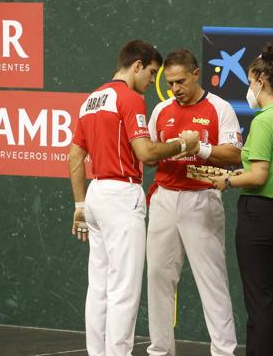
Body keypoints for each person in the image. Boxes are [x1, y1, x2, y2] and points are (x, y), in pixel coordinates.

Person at [68, 39, 200, 356]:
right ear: (137, 65)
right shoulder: (129, 99)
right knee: (124, 289)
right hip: (121, 195)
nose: (151, 82)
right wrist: (184, 145)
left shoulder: (91, 100)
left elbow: (74, 157)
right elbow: (145, 151)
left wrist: (79, 205)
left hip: (96, 195)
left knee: (98, 286)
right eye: (151, 73)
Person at [211, 44, 273, 356]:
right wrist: (247, 171)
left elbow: (258, 176)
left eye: (249, 81)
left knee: (259, 300)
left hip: (260, 218)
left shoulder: (264, 121)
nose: (248, 89)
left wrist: (226, 179)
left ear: (261, 81)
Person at [145, 48, 242, 356]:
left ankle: (223, 352)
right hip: (164, 198)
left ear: (196, 74)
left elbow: (235, 154)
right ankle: (160, 350)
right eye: (171, 83)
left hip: (202, 200)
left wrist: (198, 147)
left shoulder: (220, 108)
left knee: (212, 280)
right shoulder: (161, 110)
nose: (175, 89)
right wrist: (171, 147)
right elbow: (148, 153)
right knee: (158, 277)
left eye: (181, 81)